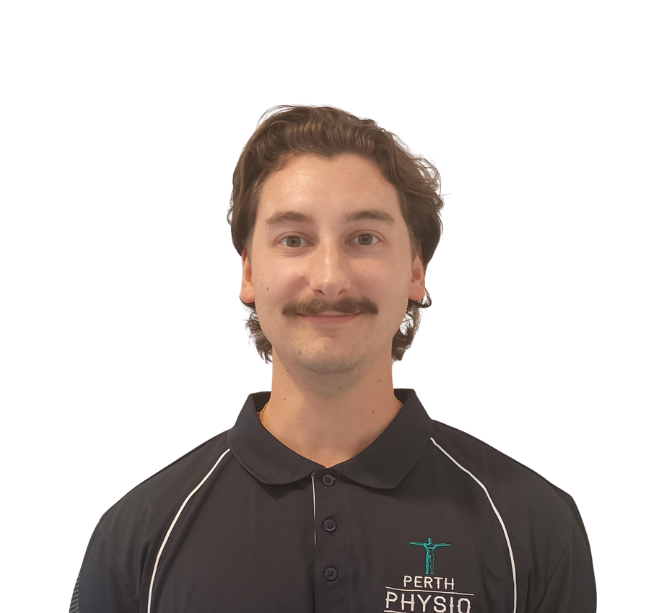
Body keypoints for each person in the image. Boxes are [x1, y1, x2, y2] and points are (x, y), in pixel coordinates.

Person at [70, 105, 597, 612]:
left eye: (364, 238)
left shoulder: (532, 526)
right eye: (293, 239)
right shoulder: (138, 538)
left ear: (415, 272)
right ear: (249, 272)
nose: (329, 278)